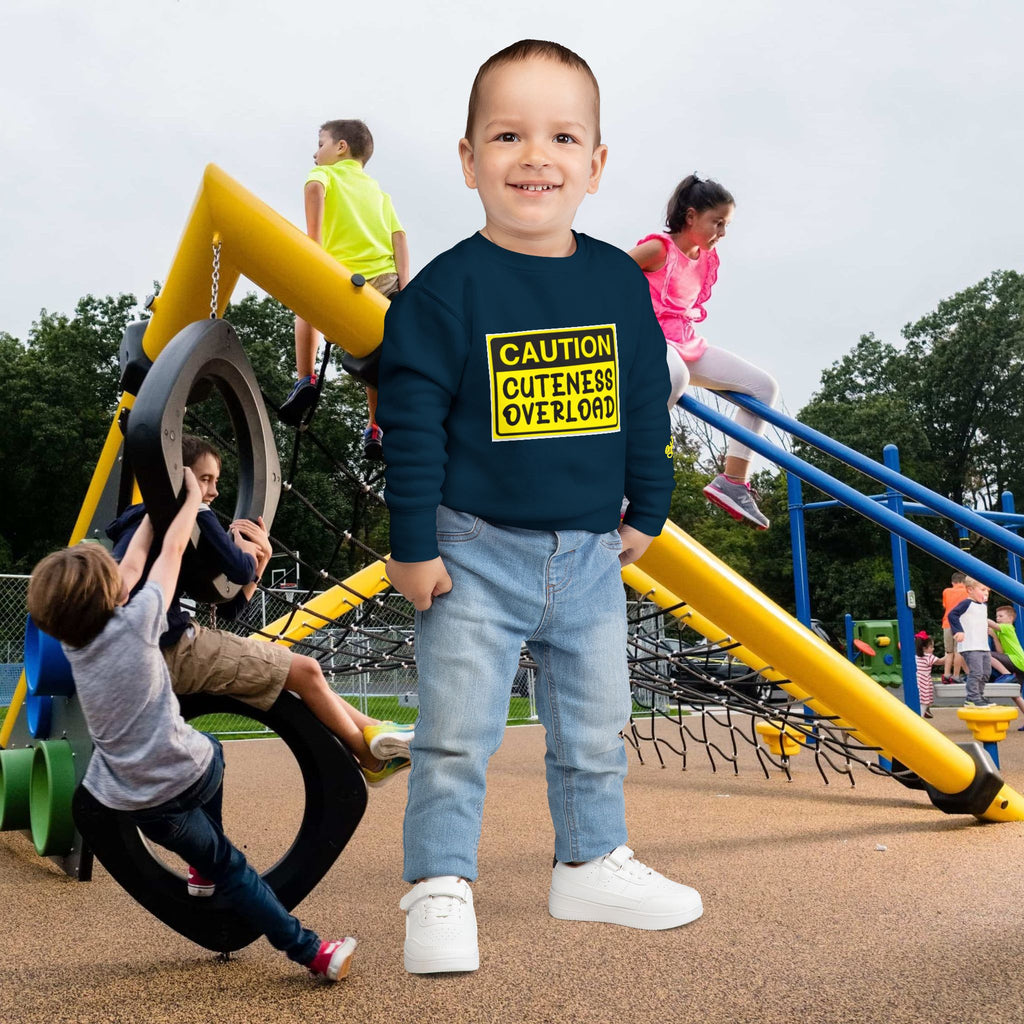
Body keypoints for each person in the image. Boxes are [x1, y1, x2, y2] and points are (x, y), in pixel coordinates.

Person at [376, 39, 703, 977]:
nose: (535, 155)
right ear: (470, 157)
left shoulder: (613, 283)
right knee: (454, 735)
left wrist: (653, 504)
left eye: (563, 136)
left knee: (597, 725)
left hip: (593, 554)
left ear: (596, 165)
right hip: (473, 548)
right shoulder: (443, 293)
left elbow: (646, 398)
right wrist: (412, 544)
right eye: (508, 134)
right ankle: (439, 885)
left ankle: (592, 860)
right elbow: (412, 421)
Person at [26, 470, 357, 981]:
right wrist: (185, 502)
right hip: (183, 777)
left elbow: (136, 560)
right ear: (113, 594)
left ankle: (205, 867)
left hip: (135, 802)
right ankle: (311, 951)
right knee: (217, 776)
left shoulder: (74, 644)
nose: (123, 570)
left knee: (211, 767)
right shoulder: (141, 622)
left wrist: (156, 515)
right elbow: (171, 550)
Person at [108, 435, 412, 789]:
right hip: (169, 651)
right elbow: (237, 570)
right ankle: (371, 755)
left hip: (164, 649)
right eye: (205, 479)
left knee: (299, 674)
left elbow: (230, 607)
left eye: (216, 481)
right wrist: (243, 550)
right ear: (181, 476)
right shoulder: (186, 512)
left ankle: (373, 729)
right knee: (305, 669)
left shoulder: (163, 524)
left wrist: (261, 559)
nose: (214, 492)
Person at [628, 175, 779, 530]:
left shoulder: (705, 258)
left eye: (726, 224)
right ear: (691, 216)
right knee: (674, 376)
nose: (722, 232)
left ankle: (733, 482)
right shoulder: (658, 249)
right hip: (644, 340)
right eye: (718, 222)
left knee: (763, 387)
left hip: (682, 343)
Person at [281, 118, 410, 460]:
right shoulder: (381, 194)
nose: (314, 153)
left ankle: (306, 380)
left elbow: (313, 190)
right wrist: (405, 283)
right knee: (374, 353)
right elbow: (399, 237)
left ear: (340, 147)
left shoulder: (326, 174)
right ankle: (374, 427)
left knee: (304, 304)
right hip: (385, 281)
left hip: (342, 279)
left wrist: (315, 244)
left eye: (320, 143)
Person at [947, 577, 993, 707]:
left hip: (983, 646)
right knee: (977, 672)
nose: (986, 593)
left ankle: (979, 695)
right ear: (970, 590)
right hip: (971, 646)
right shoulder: (966, 603)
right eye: (983, 589)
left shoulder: (983, 606)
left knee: (986, 673)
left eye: (987, 590)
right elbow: (952, 615)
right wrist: (958, 631)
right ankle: (972, 698)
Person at [988, 605, 1024, 728]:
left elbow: (992, 624)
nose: (998, 618)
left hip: (1018, 661)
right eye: (996, 616)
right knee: (1015, 695)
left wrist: (979, 615)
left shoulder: (1008, 627)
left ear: (1010, 619)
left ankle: (1007, 675)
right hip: (1018, 664)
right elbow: (1001, 652)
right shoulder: (1000, 631)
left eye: (1001, 616)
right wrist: (994, 636)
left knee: (985, 654)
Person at [940, 571, 970, 683]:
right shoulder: (967, 592)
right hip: (960, 624)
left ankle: (946, 675)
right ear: (964, 582)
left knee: (948, 652)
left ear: (953, 582)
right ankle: (956, 675)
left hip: (947, 623)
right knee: (959, 651)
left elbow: (945, 605)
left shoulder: (946, 591)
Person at [914, 632, 937, 718]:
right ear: (924, 648)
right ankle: (922, 713)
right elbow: (940, 661)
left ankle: (925, 710)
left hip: (918, 680)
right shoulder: (928, 656)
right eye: (931, 647)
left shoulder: (916, 656)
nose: (933, 649)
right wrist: (949, 655)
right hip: (924, 681)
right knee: (924, 700)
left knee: (921, 699)